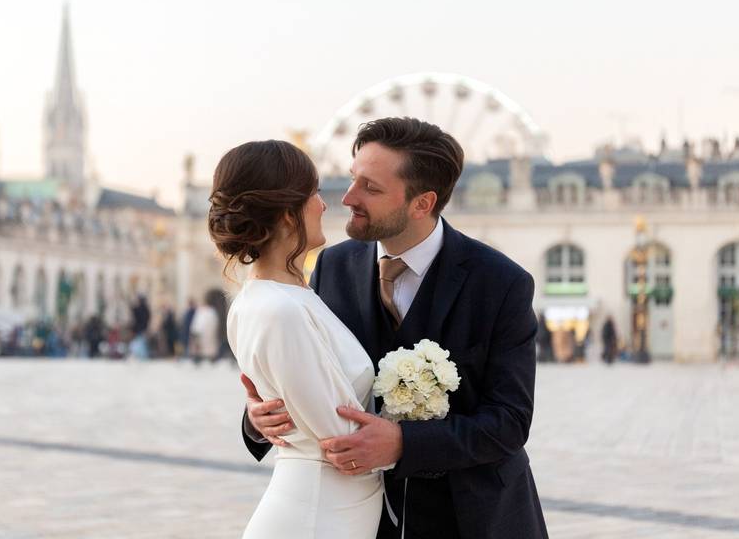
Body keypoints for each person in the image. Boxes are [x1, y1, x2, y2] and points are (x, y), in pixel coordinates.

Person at [242, 118, 548, 539]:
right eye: (353, 179)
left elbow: (510, 421)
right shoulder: (333, 266)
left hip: (473, 519)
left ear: (422, 203)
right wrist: (259, 419)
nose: (347, 198)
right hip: (363, 521)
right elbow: (309, 370)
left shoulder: (501, 283)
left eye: (371, 188)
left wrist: (405, 443)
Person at [211, 140, 383, 538]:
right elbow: (345, 441)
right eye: (314, 194)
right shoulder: (280, 309)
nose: (324, 205)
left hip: (329, 506)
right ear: (288, 215)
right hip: (320, 515)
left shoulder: (271, 298)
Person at [189, 296, 220, 364]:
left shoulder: (211, 311)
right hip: (199, 332)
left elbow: (214, 321)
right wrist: (194, 329)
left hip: (208, 332)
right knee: (198, 346)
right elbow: (196, 321)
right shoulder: (200, 310)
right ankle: (197, 358)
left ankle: (212, 358)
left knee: (210, 347)